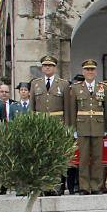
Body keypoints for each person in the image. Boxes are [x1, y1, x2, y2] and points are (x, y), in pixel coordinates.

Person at [30, 55, 74, 194]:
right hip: (40, 125)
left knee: (57, 155)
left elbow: (67, 107)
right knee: (42, 156)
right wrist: (32, 126)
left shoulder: (64, 84)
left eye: (50, 65)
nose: (47, 68)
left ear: (55, 68)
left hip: (57, 124)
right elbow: (32, 107)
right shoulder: (35, 84)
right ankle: (43, 186)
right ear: (42, 68)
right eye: (45, 65)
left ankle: (56, 186)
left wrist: (67, 128)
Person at [67, 59, 107, 194]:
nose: (90, 72)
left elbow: (106, 109)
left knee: (97, 158)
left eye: (92, 70)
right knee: (83, 158)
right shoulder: (76, 88)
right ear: (83, 72)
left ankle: (96, 186)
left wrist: (106, 127)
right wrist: (72, 128)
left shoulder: (103, 88)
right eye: (87, 70)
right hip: (82, 127)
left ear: (96, 72)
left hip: (98, 126)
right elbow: (72, 109)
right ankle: (84, 186)